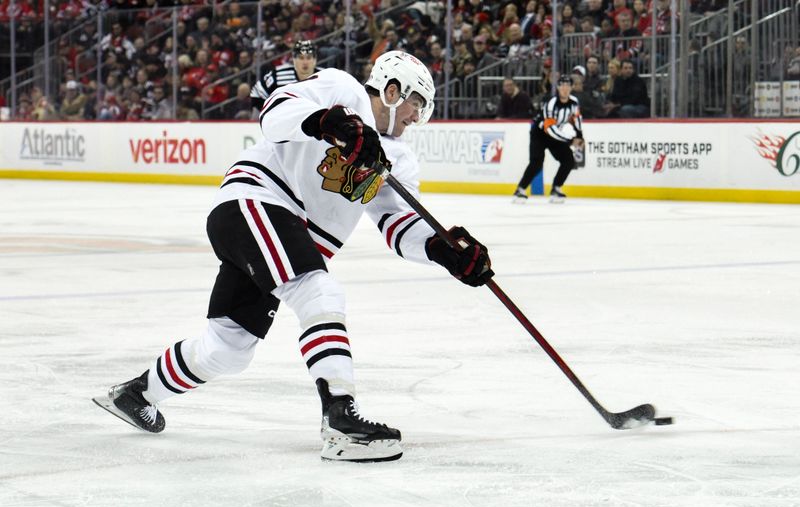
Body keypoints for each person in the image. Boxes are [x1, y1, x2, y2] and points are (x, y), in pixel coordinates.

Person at [93, 51, 494, 463]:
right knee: (318, 292)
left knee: (228, 349)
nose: (417, 116)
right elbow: (275, 112)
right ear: (392, 91)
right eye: (417, 103)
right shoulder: (344, 90)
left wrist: (442, 251)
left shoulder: (400, 160)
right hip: (257, 202)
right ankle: (340, 420)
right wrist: (329, 121)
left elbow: (398, 226)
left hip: (278, 233)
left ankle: (137, 394)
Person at [513, 74, 584, 203]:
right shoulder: (551, 104)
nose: (565, 88)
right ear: (557, 87)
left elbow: (577, 117)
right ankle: (520, 189)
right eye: (562, 85)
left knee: (568, 159)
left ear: (572, 87)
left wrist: (579, 135)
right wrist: (569, 140)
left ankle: (556, 188)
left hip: (555, 133)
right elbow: (549, 129)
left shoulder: (574, 102)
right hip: (539, 134)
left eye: (568, 85)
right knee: (537, 162)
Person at [249, 40, 321, 112]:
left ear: (315, 59)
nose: (305, 62)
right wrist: (271, 114)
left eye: (308, 58)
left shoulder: (326, 77)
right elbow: (257, 93)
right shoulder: (277, 75)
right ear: (294, 59)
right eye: (301, 58)